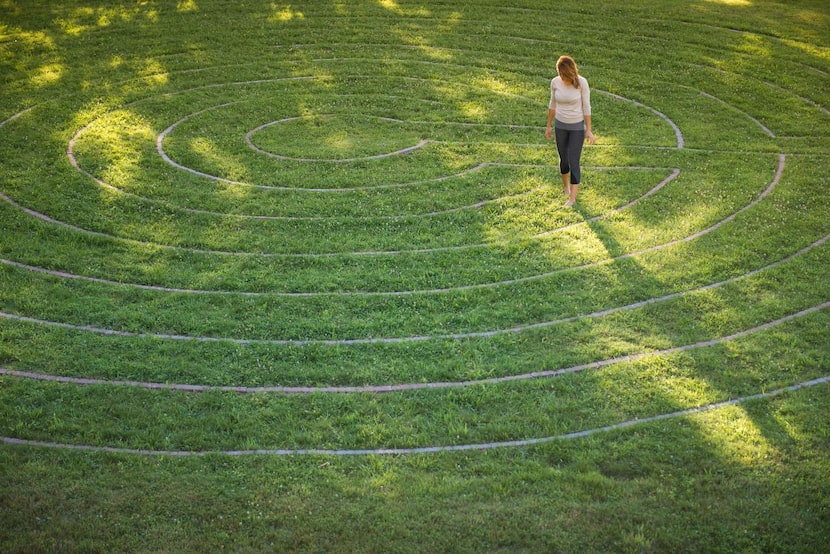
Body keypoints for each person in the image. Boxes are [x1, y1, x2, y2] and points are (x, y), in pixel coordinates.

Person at [545, 55, 595, 207]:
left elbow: (586, 106)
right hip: (560, 125)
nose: (561, 77)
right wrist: (548, 125)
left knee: (574, 161)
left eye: (563, 74)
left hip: (576, 127)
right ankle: (566, 187)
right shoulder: (555, 82)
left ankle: (572, 199)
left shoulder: (581, 83)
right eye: (559, 73)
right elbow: (552, 104)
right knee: (564, 161)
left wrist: (589, 130)